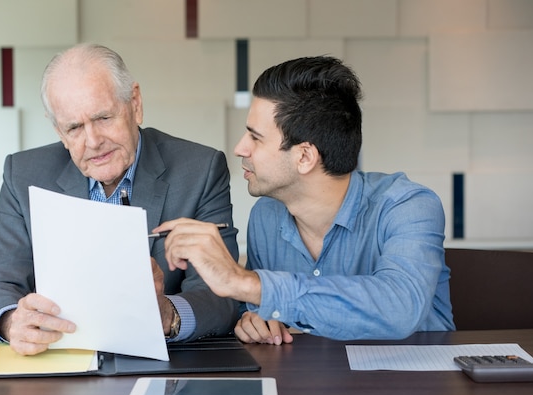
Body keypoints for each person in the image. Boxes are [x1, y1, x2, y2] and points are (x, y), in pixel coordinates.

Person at [157, 56, 455, 345]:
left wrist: (246, 284)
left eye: (255, 137)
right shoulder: (266, 216)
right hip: (311, 384)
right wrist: (254, 320)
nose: (239, 149)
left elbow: (400, 307)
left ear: (304, 156)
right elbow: (264, 310)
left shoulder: (408, 206)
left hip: (420, 384)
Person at [0, 43, 240, 355]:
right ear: (58, 130)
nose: (94, 141)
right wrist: (11, 322)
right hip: (60, 362)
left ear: (135, 103)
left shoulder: (200, 170)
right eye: (74, 127)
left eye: (103, 118)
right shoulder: (23, 174)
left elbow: (222, 295)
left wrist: (166, 313)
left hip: (162, 364)